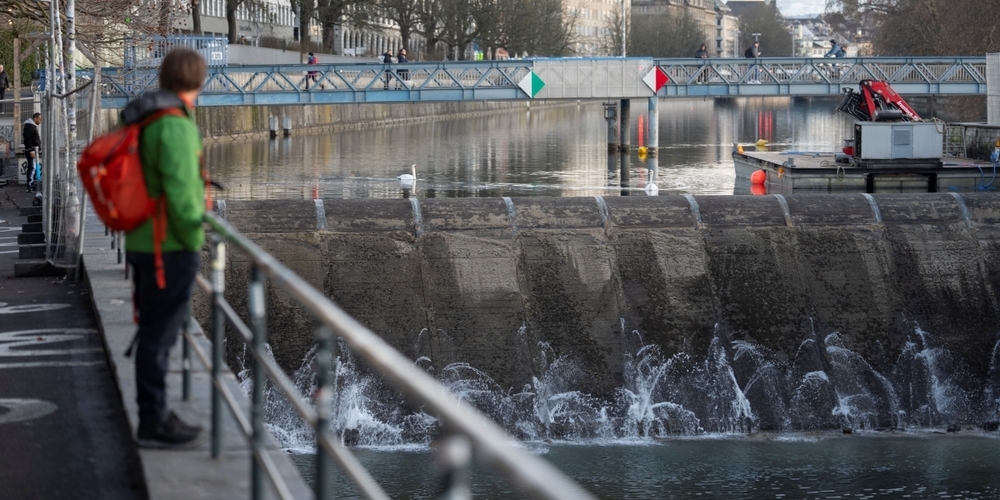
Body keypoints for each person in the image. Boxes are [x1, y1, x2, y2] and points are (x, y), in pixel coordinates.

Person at [122, 47, 207, 449]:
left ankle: (156, 415)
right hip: (168, 247)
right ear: (196, 79)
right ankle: (153, 421)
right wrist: (196, 238)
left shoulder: (153, 119)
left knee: (156, 333)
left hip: (146, 240)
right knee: (159, 337)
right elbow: (180, 194)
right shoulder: (174, 126)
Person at [22, 112, 41, 190]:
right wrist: (30, 150)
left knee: (33, 167)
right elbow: (27, 139)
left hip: (33, 149)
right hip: (32, 150)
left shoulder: (31, 126)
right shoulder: (30, 126)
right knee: (32, 167)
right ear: (35, 118)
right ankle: (30, 185)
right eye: (39, 119)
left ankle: (31, 184)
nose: (40, 121)